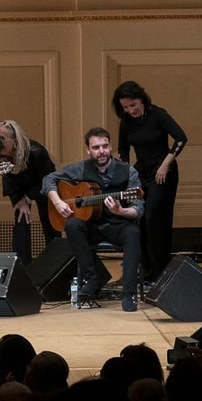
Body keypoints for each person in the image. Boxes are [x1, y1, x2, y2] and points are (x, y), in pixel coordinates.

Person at [45, 127, 145, 311]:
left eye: (105, 146)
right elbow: (48, 180)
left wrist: (120, 210)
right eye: (96, 147)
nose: (101, 151)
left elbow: (138, 209)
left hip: (117, 224)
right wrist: (58, 202)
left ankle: (128, 294)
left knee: (133, 233)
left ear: (111, 146)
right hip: (91, 226)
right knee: (72, 224)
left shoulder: (128, 172)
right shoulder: (80, 168)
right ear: (88, 149)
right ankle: (92, 278)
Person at [111, 80, 185, 281]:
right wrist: (126, 171)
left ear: (142, 99)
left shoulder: (157, 114)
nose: (130, 110)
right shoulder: (126, 121)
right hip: (141, 173)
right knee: (139, 219)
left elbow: (180, 138)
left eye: (133, 105)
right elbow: (124, 150)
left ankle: (161, 270)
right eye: (125, 107)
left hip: (163, 172)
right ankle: (145, 269)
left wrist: (165, 164)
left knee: (153, 218)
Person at [0, 119, 56, 266]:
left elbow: (47, 180)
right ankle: (22, 264)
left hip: (42, 183)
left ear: (14, 142)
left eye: (2, 138)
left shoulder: (35, 152)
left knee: (50, 221)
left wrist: (28, 198)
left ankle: (54, 262)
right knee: (21, 217)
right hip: (17, 185)